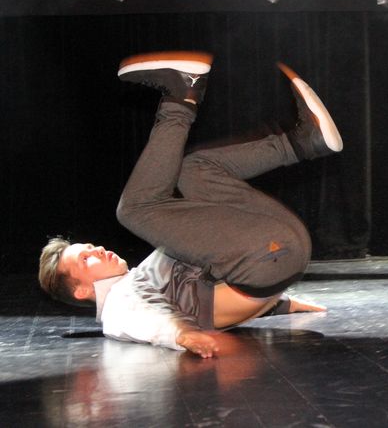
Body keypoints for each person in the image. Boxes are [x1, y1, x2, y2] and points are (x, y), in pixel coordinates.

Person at [38, 51, 342, 357]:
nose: (97, 250)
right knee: (133, 210)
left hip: (280, 252)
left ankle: (304, 141)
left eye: (90, 247)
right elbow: (142, 318)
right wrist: (182, 334)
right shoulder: (119, 302)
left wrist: (285, 304)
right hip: (264, 262)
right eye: (85, 259)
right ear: (81, 290)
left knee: (192, 170)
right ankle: (180, 95)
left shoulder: (148, 275)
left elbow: (203, 293)